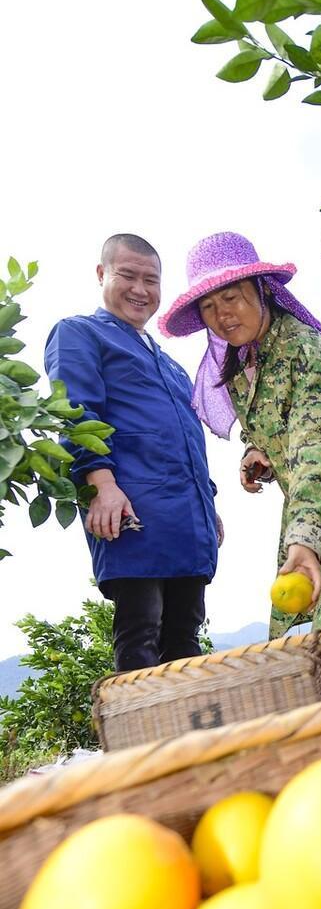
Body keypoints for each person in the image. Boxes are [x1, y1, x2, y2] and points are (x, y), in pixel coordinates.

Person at [158, 232, 321, 685]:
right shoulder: (241, 364)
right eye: (209, 307)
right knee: (300, 627)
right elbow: (282, 424)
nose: (222, 314)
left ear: (260, 290)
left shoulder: (308, 353)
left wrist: (306, 543)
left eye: (232, 297)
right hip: (314, 512)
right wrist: (259, 450)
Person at [44, 233, 221, 672]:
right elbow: (76, 411)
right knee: (141, 631)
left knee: (184, 637)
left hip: (186, 519)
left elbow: (186, 437)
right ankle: (142, 739)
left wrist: (208, 504)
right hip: (132, 512)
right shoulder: (80, 333)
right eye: (128, 276)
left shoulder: (172, 366)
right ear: (102, 274)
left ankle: (191, 740)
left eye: (152, 280)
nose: (141, 290)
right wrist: (101, 484)